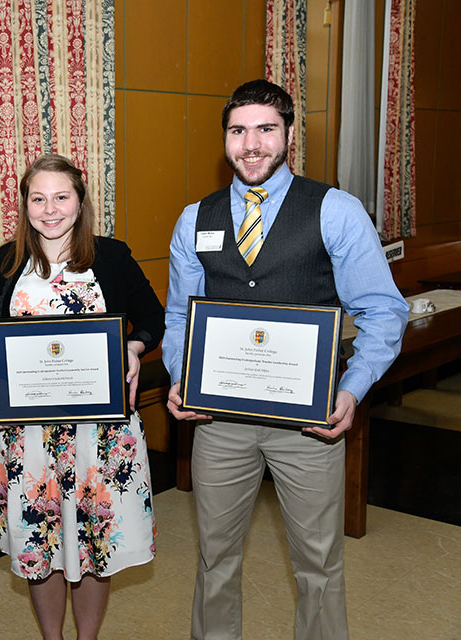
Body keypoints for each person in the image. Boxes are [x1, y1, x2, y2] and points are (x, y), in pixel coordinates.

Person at [162, 79, 409, 640]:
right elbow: (180, 316)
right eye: (238, 130)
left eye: (265, 130)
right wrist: (181, 375)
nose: (251, 144)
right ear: (224, 138)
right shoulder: (193, 219)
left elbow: (383, 312)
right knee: (214, 558)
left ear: (289, 135)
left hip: (308, 424)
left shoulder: (336, 211)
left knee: (319, 564)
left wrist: (351, 389)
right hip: (219, 421)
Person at [0, 153, 165, 640]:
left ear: (80, 202)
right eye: (39, 198)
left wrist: (135, 348)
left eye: (61, 197)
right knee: (41, 546)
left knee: (95, 544)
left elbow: (152, 317)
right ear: (25, 204)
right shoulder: (5, 263)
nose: (50, 209)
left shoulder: (112, 257)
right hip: (27, 437)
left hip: (100, 436)